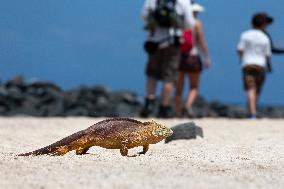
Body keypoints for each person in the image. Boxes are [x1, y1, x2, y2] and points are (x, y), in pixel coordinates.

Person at [140, 0, 195, 118]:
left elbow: (144, 16)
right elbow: (190, 24)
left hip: (153, 41)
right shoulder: (183, 2)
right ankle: (163, 108)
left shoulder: (152, 1)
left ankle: (149, 103)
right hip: (172, 42)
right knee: (169, 77)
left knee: (152, 74)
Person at [175, 3, 210, 118]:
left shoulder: (178, 23)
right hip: (193, 56)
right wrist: (206, 57)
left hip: (179, 57)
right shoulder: (197, 23)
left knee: (178, 88)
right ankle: (188, 105)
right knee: (194, 86)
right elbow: (201, 41)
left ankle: (178, 114)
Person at [237, 13, 272, 119]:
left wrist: (242, 58)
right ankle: (253, 110)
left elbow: (240, 50)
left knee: (250, 88)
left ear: (252, 23)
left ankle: (251, 112)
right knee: (257, 89)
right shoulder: (265, 38)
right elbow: (267, 55)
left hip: (247, 64)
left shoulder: (245, 35)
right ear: (263, 24)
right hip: (260, 65)